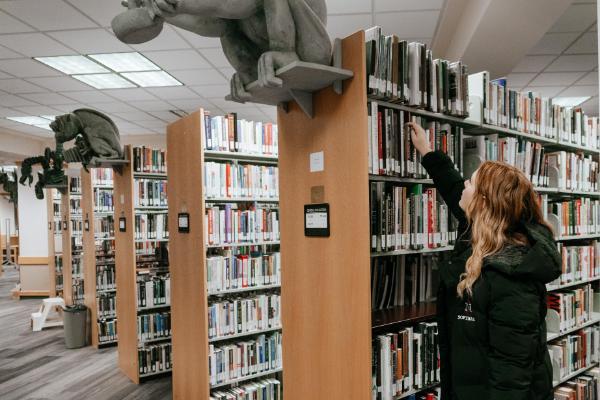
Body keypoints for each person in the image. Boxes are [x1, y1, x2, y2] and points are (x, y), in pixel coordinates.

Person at [407, 122, 561, 400]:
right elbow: (455, 189)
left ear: (483, 203)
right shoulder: (485, 232)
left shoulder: (510, 276)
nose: (464, 185)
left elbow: (511, 376)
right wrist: (428, 153)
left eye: (471, 183)